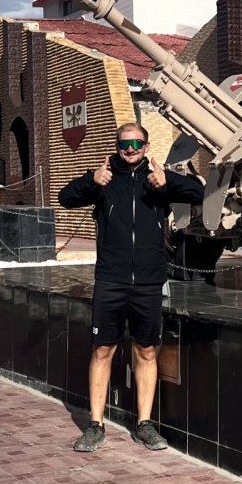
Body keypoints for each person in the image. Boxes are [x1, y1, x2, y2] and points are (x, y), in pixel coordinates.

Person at [58, 121, 205, 453]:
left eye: (137, 144)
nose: (130, 150)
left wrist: (169, 181)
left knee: (147, 351)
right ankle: (95, 425)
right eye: (124, 145)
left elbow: (199, 193)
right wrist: (90, 181)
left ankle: (145, 424)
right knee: (102, 350)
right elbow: (64, 197)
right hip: (110, 279)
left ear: (146, 147)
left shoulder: (159, 180)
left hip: (149, 281)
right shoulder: (104, 178)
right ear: (116, 147)